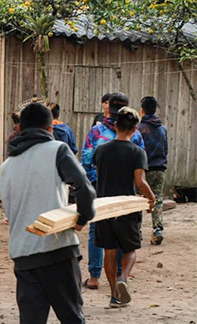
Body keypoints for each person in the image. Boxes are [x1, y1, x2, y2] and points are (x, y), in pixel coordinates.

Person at [0, 102, 96, 324]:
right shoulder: (58, 150)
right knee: (72, 317)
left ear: (20, 129)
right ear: (51, 128)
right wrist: (82, 218)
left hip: (23, 254)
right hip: (57, 250)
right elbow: (84, 189)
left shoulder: (7, 165)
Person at [81, 92, 145, 290]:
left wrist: (96, 181)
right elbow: (140, 170)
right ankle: (120, 274)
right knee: (125, 237)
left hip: (100, 189)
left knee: (98, 234)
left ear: (108, 109)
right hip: (126, 192)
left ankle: (94, 276)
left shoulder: (96, 132)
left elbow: (86, 159)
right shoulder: (136, 136)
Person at [93, 107, 155, 308]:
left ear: (116, 125)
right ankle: (124, 278)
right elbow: (140, 182)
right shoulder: (138, 152)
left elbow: (98, 173)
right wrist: (151, 198)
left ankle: (114, 296)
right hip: (126, 207)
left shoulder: (101, 150)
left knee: (109, 251)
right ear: (135, 129)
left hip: (104, 207)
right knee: (130, 249)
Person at [137, 96, 168, 245]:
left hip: (142, 169)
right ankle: (158, 229)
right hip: (159, 168)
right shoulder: (163, 129)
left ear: (142, 111)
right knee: (158, 199)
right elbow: (166, 149)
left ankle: (137, 231)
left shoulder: (139, 129)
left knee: (138, 199)